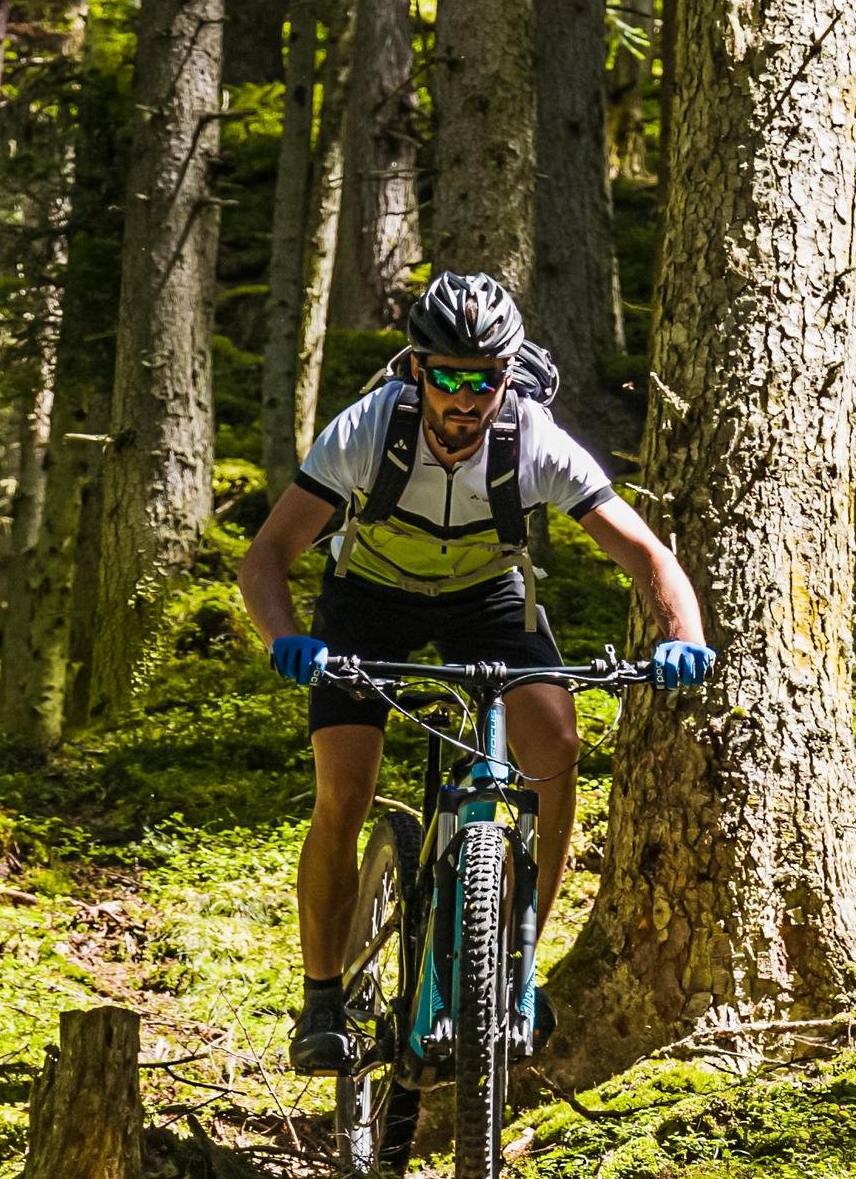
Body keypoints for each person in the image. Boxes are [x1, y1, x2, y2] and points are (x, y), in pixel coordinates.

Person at [236, 271, 713, 1070]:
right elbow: (267, 558)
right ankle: (322, 999)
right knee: (345, 789)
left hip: (484, 596)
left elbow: (647, 555)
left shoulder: (534, 440)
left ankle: (518, 973)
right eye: (449, 376)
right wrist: (287, 636)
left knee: (554, 746)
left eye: (486, 377)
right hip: (370, 596)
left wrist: (681, 635)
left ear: (508, 372)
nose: (467, 396)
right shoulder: (367, 432)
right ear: (417, 370)